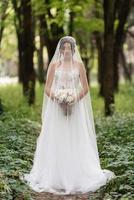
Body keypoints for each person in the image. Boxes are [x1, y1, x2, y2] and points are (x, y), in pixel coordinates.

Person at [22, 36, 115, 195]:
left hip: (75, 108)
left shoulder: (79, 65)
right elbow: (47, 89)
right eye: (63, 48)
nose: (66, 50)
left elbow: (85, 88)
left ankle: (77, 175)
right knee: (57, 138)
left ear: (73, 50)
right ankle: (55, 176)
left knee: (75, 138)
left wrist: (73, 99)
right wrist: (58, 99)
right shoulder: (54, 66)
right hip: (56, 109)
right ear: (60, 50)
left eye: (69, 48)